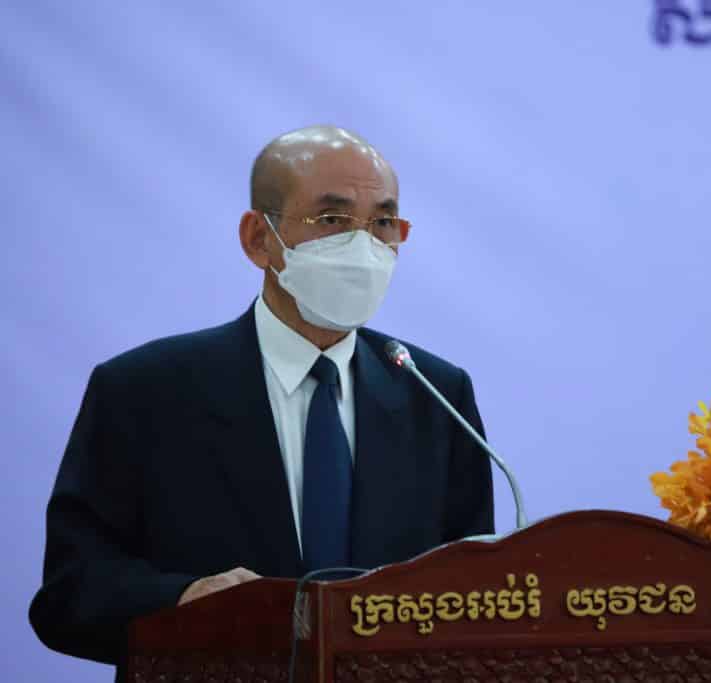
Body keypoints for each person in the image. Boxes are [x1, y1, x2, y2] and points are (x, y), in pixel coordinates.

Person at [29, 126, 495, 675]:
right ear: (258, 239)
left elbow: (475, 595)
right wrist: (182, 600)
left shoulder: (435, 393)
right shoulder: (144, 392)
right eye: (332, 219)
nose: (363, 247)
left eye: (383, 223)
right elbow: (71, 592)